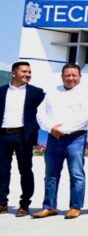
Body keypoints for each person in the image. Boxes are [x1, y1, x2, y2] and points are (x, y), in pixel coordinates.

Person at [33, 63, 88, 219]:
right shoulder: (52, 92)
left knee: (76, 174)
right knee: (51, 174)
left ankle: (75, 206)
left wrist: (63, 129)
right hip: (53, 137)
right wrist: (51, 128)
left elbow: (84, 117)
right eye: (67, 75)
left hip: (75, 138)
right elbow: (40, 113)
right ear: (62, 76)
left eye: (74, 75)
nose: (71, 78)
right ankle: (49, 206)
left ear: (80, 77)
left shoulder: (85, 93)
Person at [0, 61, 45, 217]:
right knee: (2, 171)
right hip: (3, 135)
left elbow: (46, 111)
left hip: (23, 137)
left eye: (29, 72)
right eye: (24, 72)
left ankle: (24, 204)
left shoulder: (36, 93)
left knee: (25, 171)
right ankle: (2, 203)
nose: (27, 74)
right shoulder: (1, 91)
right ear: (14, 73)